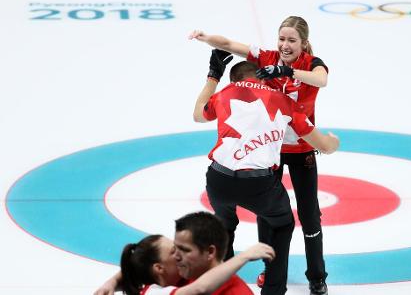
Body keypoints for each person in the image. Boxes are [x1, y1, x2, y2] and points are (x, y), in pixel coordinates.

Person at [190, 16, 330, 295]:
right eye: (282, 39)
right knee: (269, 216)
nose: (285, 45)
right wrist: (206, 38)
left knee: (310, 215)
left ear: (303, 43)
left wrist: (288, 73)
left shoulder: (311, 64)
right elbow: (229, 44)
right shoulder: (266, 57)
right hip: (270, 151)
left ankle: (317, 276)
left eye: (292, 40)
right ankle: (271, 272)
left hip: (302, 148)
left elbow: (321, 80)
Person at [94, 211, 274, 295]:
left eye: (182, 250)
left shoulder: (175, 277)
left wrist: (113, 282)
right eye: (174, 251)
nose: (178, 256)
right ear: (159, 268)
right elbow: (200, 288)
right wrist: (243, 257)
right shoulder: (171, 282)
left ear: (210, 252)